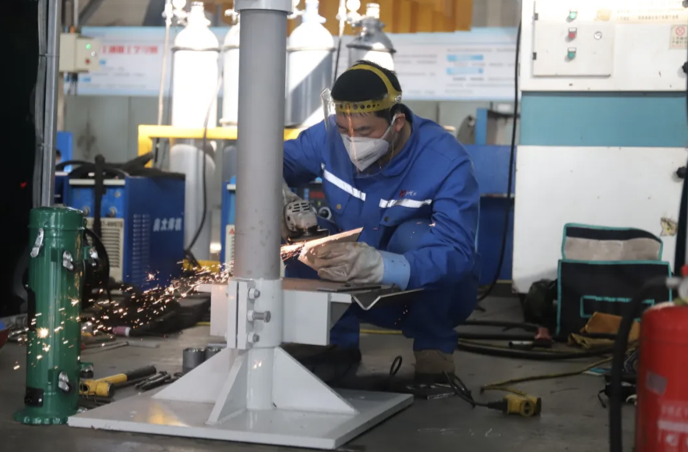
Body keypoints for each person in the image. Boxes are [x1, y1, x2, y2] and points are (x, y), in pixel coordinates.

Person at [282, 61, 480, 384]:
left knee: (414, 236)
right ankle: (332, 341)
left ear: (397, 122)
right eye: (344, 130)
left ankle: (433, 345)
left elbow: (457, 253)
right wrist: (279, 198)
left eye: (364, 132)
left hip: (414, 294)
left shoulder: (445, 161)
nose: (352, 141)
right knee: (301, 235)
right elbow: (270, 162)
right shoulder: (328, 136)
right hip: (349, 278)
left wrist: (383, 267)